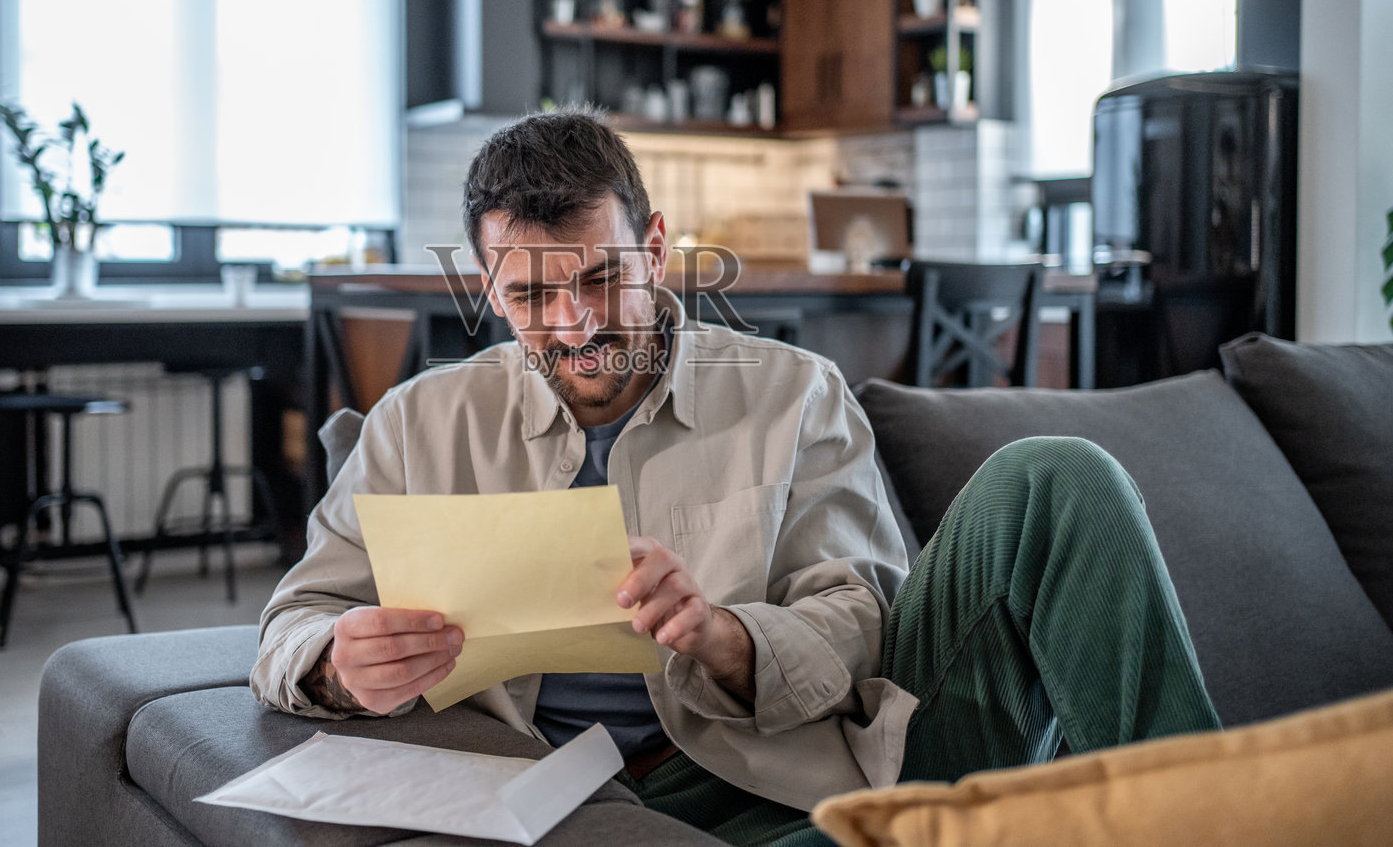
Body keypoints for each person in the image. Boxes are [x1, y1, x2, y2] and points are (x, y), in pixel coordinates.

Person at [252, 109, 1221, 847]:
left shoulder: (790, 391)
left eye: (599, 277)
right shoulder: (421, 421)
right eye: (530, 294)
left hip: (784, 770)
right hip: (565, 793)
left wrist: (723, 633)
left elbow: (866, 614)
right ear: (484, 282)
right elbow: (290, 624)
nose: (574, 322)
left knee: (1056, 473)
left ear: (657, 246)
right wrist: (339, 660)